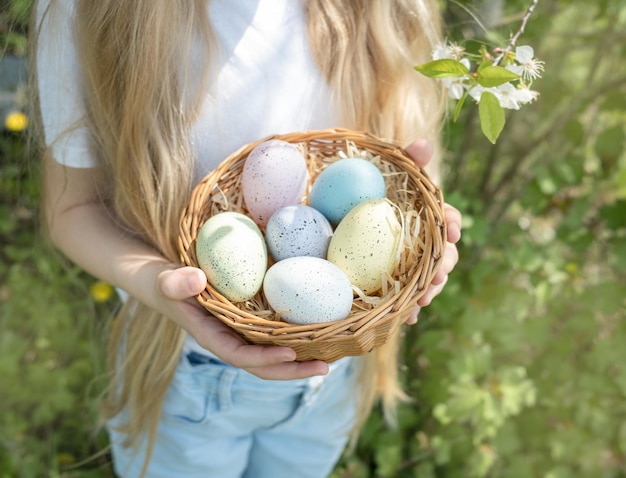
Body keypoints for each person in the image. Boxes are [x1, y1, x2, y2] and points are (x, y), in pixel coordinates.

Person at [32, 0, 462, 476]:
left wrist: (420, 250)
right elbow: (73, 210)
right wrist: (164, 285)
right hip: (179, 375)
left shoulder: (382, 10)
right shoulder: (91, 10)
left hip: (339, 372)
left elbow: (380, 194)